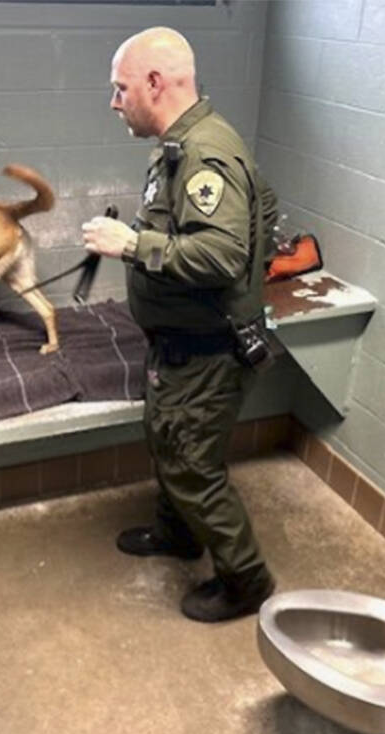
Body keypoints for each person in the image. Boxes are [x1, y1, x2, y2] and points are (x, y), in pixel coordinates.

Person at [82, 27, 278, 623]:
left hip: (208, 348)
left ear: (154, 83)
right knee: (167, 442)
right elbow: (263, 209)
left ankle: (247, 580)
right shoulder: (182, 143)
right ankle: (178, 533)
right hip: (179, 342)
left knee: (193, 464)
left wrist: (134, 245)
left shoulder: (203, 154)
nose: (114, 102)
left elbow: (221, 255)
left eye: (120, 90)